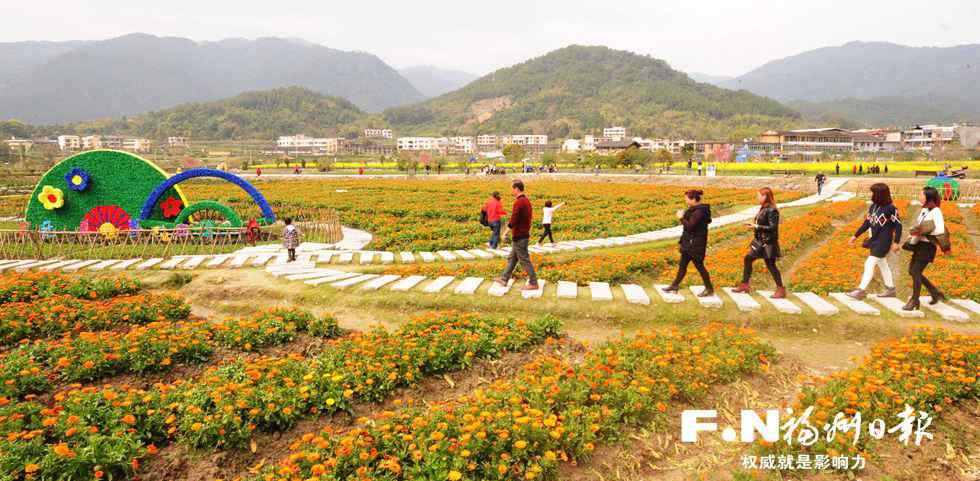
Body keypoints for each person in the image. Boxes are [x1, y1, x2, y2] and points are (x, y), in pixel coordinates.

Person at [846, 183, 901, 300]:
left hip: (884, 241)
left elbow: (898, 226)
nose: (872, 195)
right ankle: (891, 289)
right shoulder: (873, 207)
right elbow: (867, 223)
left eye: (874, 193)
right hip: (874, 240)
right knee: (883, 264)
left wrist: (896, 242)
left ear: (880, 194)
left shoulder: (891, 208)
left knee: (869, 263)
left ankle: (861, 290)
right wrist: (855, 236)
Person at [733, 187, 786, 298]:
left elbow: (773, 227)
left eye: (759, 196)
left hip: (768, 243)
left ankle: (780, 289)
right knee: (748, 259)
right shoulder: (763, 208)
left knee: (770, 265)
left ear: (765, 196)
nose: (757, 197)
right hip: (760, 242)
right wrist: (754, 227)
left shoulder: (772, 210)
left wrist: (756, 226)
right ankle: (744, 284)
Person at [663, 189, 714, 296]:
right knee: (682, 265)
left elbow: (690, 226)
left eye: (686, 199)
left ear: (694, 199)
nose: (685, 201)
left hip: (695, 244)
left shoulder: (699, 212)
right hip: (689, 243)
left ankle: (709, 288)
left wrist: (681, 218)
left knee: (699, 266)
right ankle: (675, 284)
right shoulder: (694, 210)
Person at [903, 186, 946, 311]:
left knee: (915, 272)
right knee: (912, 271)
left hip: (928, 246)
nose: (920, 197)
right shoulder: (924, 211)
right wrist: (913, 233)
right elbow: (919, 226)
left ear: (929, 197)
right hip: (919, 245)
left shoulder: (936, 211)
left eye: (922, 195)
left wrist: (923, 231)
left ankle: (914, 301)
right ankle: (935, 292)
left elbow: (940, 229)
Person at [494, 180, 539, 291]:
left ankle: (533, 283)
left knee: (524, 260)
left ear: (517, 188)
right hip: (522, 235)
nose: (511, 190)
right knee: (512, 258)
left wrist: (505, 232)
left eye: (512, 188)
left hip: (520, 236)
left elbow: (514, 219)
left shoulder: (519, 202)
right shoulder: (526, 201)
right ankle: (504, 279)